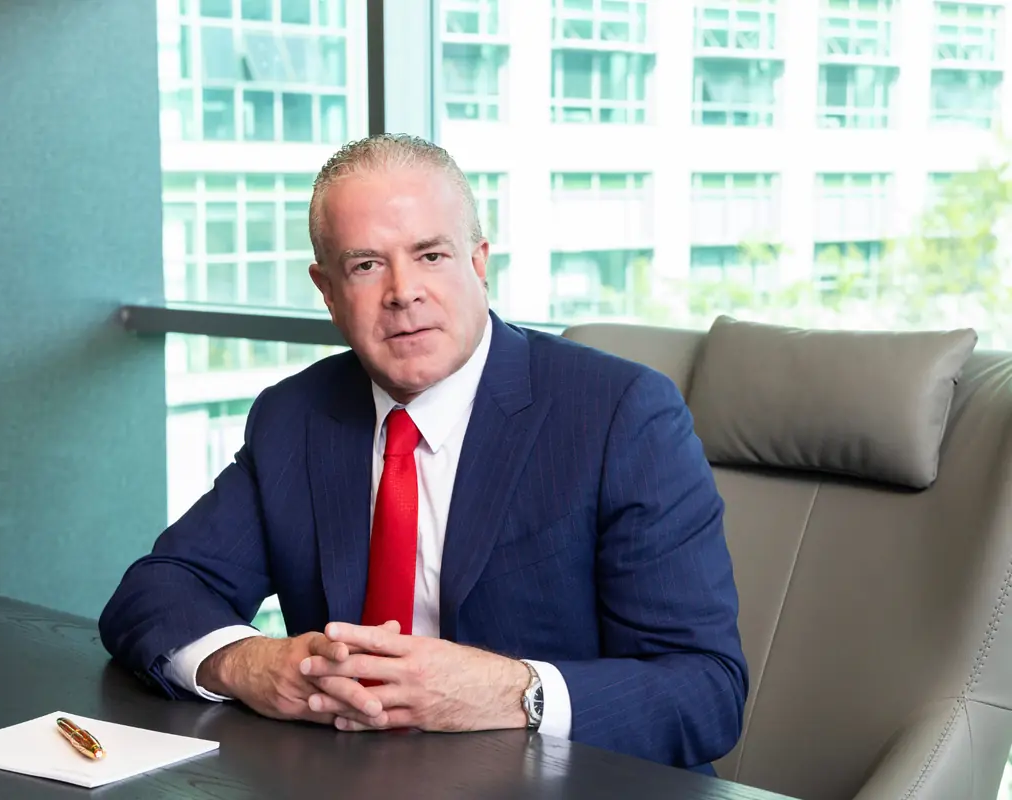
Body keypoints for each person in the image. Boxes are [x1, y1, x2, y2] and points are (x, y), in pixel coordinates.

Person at [99, 133, 748, 774]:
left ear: (479, 262)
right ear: (327, 291)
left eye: (431, 255)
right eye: (366, 265)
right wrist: (254, 664)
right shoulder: (296, 416)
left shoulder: (620, 415)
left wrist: (511, 692)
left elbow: (705, 692)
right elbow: (156, 592)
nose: (402, 291)